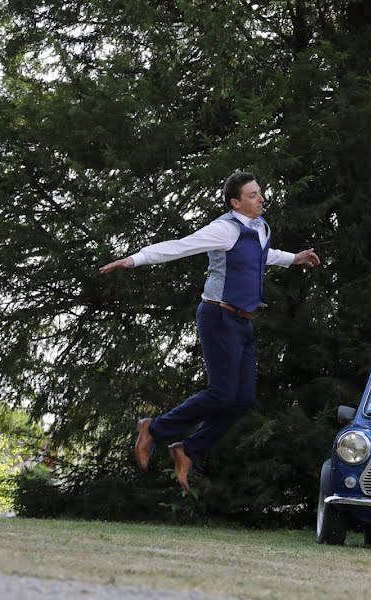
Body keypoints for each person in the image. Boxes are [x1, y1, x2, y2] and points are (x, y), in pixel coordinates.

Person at [99, 171, 320, 492]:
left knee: (242, 399)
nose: (261, 199)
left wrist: (293, 258)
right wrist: (135, 259)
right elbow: (180, 247)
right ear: (236, 202)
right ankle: (153, 429)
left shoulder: (259, 227)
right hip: (218, 316)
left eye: (260, 192)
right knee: (221, 393)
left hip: (243, 320)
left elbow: (261, 256)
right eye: (253, 195)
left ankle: (187, 449)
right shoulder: (224, 229)